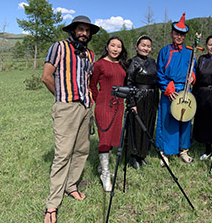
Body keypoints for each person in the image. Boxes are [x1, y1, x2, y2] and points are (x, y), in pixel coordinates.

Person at [42, 15, 100, 223]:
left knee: (82, 150)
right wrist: (61, 98)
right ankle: (52, 204)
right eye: (81, 29)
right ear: (73, 31)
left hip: (85, 107)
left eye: (87, 30)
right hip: (66, 107)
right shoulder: (59, 47)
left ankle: (71, 186)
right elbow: (46, 76)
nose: (84, 33)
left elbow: (88, 80)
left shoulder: (90, 54)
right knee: (63, 154)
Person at [156, 12, 195, 167]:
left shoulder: (190, 51)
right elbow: (159, 72)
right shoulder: (164, 51)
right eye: (176, 33)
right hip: (170, 92)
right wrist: (168, 88)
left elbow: (193, 68)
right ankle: (165, 151)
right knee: (167, 121)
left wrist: (193, 75)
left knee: (185, 120)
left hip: (185, 91)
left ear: (184, 36)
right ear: (172, 34)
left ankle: (183, 150)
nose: (179, 36)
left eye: (182, 34)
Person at [90, 36, 128, 191]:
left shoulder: (122, 65)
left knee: (113, 137)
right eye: (112, 45)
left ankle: (102, 165)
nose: (115, 49)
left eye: (118, 46)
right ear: (107, 47)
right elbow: (92, 85)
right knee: (105, 138)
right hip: (104, 104)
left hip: (119, 105)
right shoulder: (99, 64)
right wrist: (99, 100)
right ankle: (105, 174)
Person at [126, 35, 159, 169]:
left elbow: (156, 82)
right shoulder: (132, 62)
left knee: (148, 126)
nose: (146, 48)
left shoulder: (152, 61)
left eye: (148, 46)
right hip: (138, 96)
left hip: (151, 97)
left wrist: (156, 100)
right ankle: (133, 157)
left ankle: (142, 154)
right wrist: (132, 103)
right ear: (137, 46)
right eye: (143, 45)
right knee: (136, 126)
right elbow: (128, 83)